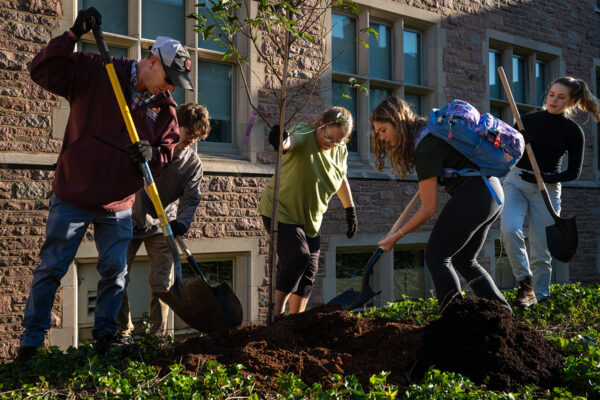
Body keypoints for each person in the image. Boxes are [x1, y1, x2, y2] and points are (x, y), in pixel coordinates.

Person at [17, 7, 194, 362]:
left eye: (176, 83)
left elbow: (164, 153)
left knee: (115, 274)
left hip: (119, 203)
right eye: (170, 77)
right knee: (51, 267)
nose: (172, 86)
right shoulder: (98, 71)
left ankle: (106, 335)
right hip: (74, 193)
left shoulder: (165, 110)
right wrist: (71, 37)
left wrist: (151, 155)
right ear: (152, 60)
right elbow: (42, 70)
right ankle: (32, 342)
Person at [371, 96, 511, 313]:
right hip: (492, 193)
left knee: (436, 257)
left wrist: (395, 237)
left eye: (382, 130)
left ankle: (454, 323)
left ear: (396, 121)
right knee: (465, 260)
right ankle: (505, 315)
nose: (381, 138)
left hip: (477, 194)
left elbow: (428, 208)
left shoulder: (425, 146)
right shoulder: (430, 133)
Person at [501, 77, 600, 307]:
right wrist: (516, 144)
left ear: (572, 101)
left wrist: (547, 177)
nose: (554, 100)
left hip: (547, 189)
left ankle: (542, 297)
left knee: (541, 248)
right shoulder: (525, 121)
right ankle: (525, 284)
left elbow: (574, 172)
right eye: (551, 94)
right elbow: (504, 158)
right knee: (509, 229)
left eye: (561, 97)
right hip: (516, 182)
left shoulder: (573, 132)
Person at [117, 103, 210, 337]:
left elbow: (191, 198)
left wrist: (183, 222)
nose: (191, 140)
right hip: (128, 218)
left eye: (197, 137)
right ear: (175, 125)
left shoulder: (192, 164)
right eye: (189, 132)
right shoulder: (150, 144)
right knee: (116, 278)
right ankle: (122, 333)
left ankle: (157, 339)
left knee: (163, 286)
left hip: (162, 225)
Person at [259, 107, 358, 316]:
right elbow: (290, 143)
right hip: (281, 210)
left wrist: (350, 210)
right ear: (321, 124)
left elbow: (340, 176)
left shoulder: (340, 149)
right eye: (329, 137)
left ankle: (297, 320)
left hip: (311, 218)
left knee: (310, 270)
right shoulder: (304, 133)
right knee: (298, 257)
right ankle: (276, 316)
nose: (331, 143)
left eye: (338, 141)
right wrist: (281, 141)